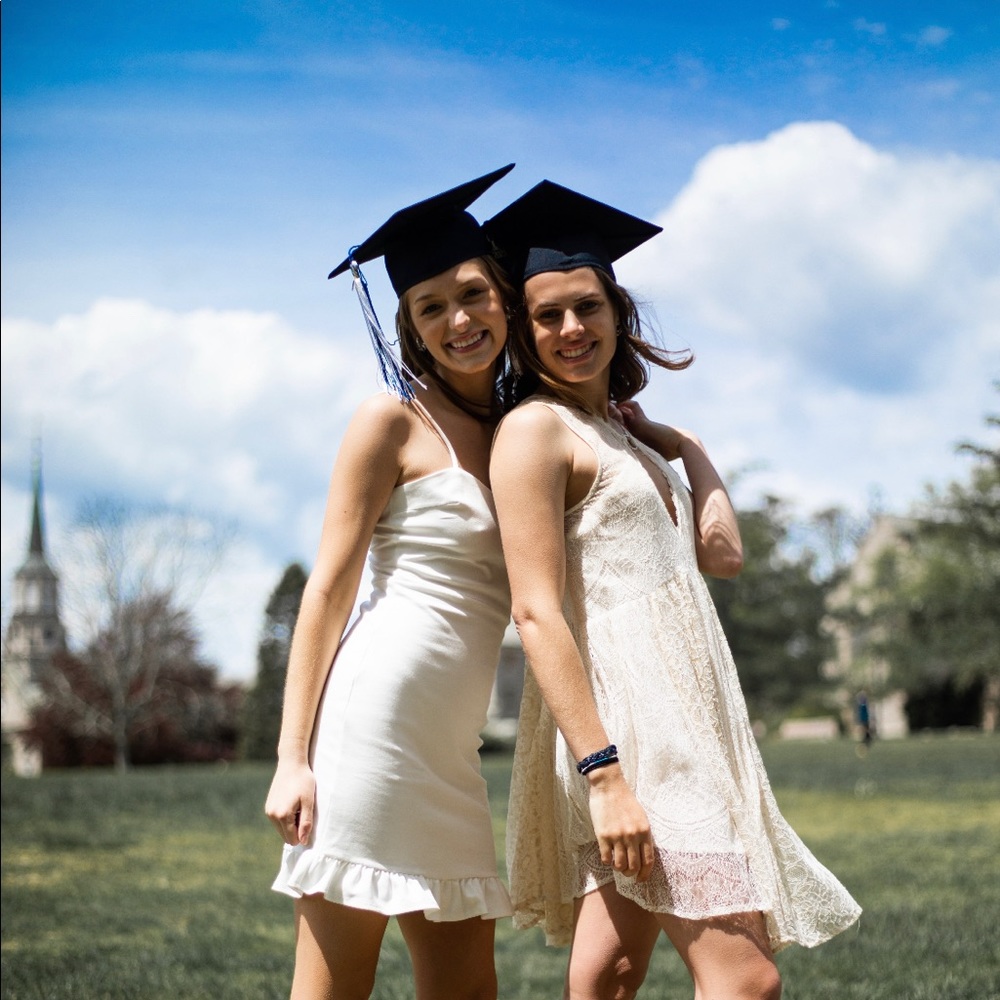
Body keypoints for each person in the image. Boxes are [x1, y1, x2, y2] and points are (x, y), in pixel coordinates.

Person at [486, 181, 862, 1000]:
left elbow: (722, 555)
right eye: (546, 316)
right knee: (748, 979)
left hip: (680, 721)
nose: (570, 329)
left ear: (617, 310)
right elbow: (535, 610)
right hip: (630, 734)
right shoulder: (534, 430)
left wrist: (684, 445)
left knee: (608, 973)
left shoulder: (622, 435)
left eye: (586, 306)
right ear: (523, 331)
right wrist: (606, 775)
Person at [264, 165, 518, 1000]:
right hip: (367, 738)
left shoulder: (524, 430)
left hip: (453, 752)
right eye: (430, 307)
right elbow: (329, 591)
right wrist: (291, 758)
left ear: (504, 297)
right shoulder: (390, 420)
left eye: (471, 293)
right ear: (408, 325)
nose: (458, 319)